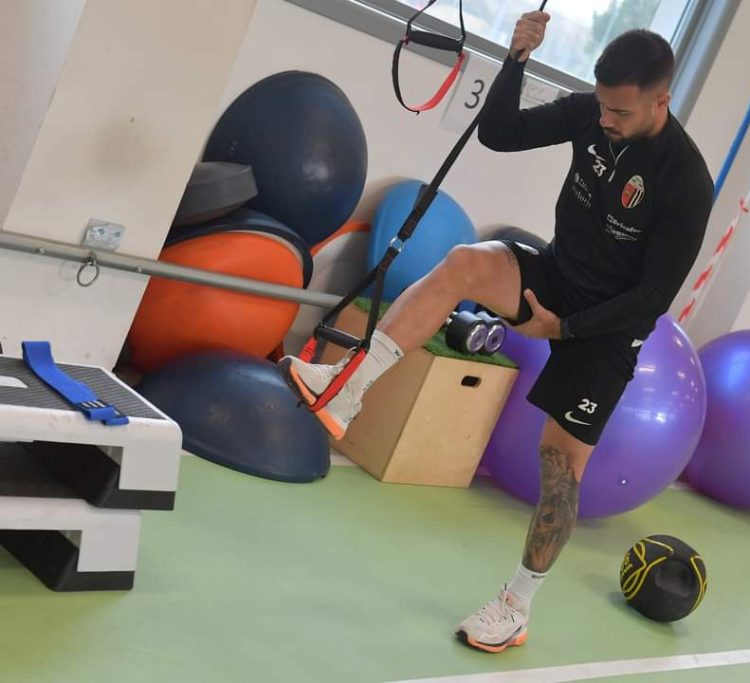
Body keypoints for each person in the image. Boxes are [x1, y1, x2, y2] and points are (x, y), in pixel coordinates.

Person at [278, 10, 713, 654]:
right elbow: (500, 134)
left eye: (620, 112)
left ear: (661, 101)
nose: (606, 120)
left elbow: (651, 299)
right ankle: (350, 387)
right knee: (464, 264)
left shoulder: (686, 181)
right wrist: (516, 60)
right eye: (601, 106)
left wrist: (563, 328)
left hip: (607, 328)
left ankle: (515, 607)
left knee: (559, 468)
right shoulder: (589, 115)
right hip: (558, 277)